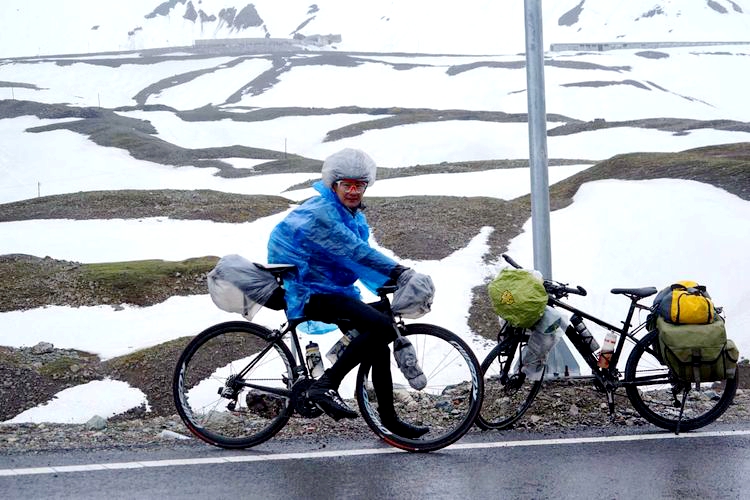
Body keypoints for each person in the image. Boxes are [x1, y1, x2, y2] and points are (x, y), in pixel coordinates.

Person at [267, 148, 430, 439]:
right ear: (334, 185)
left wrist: (387, 282)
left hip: (332, 290)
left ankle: (388, 420)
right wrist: (398, 272)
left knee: (377, 343)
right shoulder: (323, 213)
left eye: (359, 185)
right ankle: (325, 384)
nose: (353, 191)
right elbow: (355, 251)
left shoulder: (350, 216)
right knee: (381, 326)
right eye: (347, 185)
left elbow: (354, 260)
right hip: (309, 292)